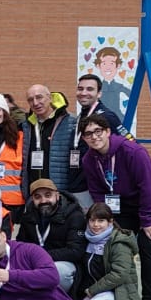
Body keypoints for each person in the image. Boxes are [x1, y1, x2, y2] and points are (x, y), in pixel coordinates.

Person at [78, 114, 151, 300]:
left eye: (98, 131)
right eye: (88, 134)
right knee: (114, 244)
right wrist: (106, 218)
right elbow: (97, 192)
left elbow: (148, 186)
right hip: (124, 205)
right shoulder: (89, 159)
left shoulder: (132, 151)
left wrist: (147, 220)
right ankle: (119, 297)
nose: (94, 137)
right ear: (84, 138)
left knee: (147, 245)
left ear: (107, 132)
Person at [75, 203, 144, 300]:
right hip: (93, 290)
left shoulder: (119, 243)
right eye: (92, 220)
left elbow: (119, 274)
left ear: (110, 222)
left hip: (115, 291)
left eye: (101, 221)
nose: (95, 225)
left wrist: (92, 290)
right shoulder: (88, 239)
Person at [13, 178, 87, 291]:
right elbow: (21, 244)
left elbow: (75, 251)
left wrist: (41, 256)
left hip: (63, 263)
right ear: (32, 199)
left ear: (57, 195)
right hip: (35, 262)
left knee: (58, 272)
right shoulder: (28, 217)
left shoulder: (74, 216)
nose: (43, 201)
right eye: (37, 197)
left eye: (48, 195)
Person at [64, 75, 123, 209]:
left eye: (90, 89)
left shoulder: (107, 116)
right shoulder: (82, 116)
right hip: (77, 183)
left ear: (99, 93)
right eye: (80, 89)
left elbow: (125, 145)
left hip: (94, 186)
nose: (84, 93)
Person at [22, 84, 78, 205]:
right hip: (34, 195)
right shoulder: (26, 126)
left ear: (50, 98)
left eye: (39, 97)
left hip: (60, 193)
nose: (35, 103)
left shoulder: (71, 123)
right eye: (30, 100)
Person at [94, 47, 132, 121]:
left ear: (118, 66)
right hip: (100, 116)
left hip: (116, 116)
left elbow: (132, 95)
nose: (108, 67)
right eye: (104, 63)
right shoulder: (98, 87)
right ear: (98, 66)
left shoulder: (119, 86)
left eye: (111, 63)